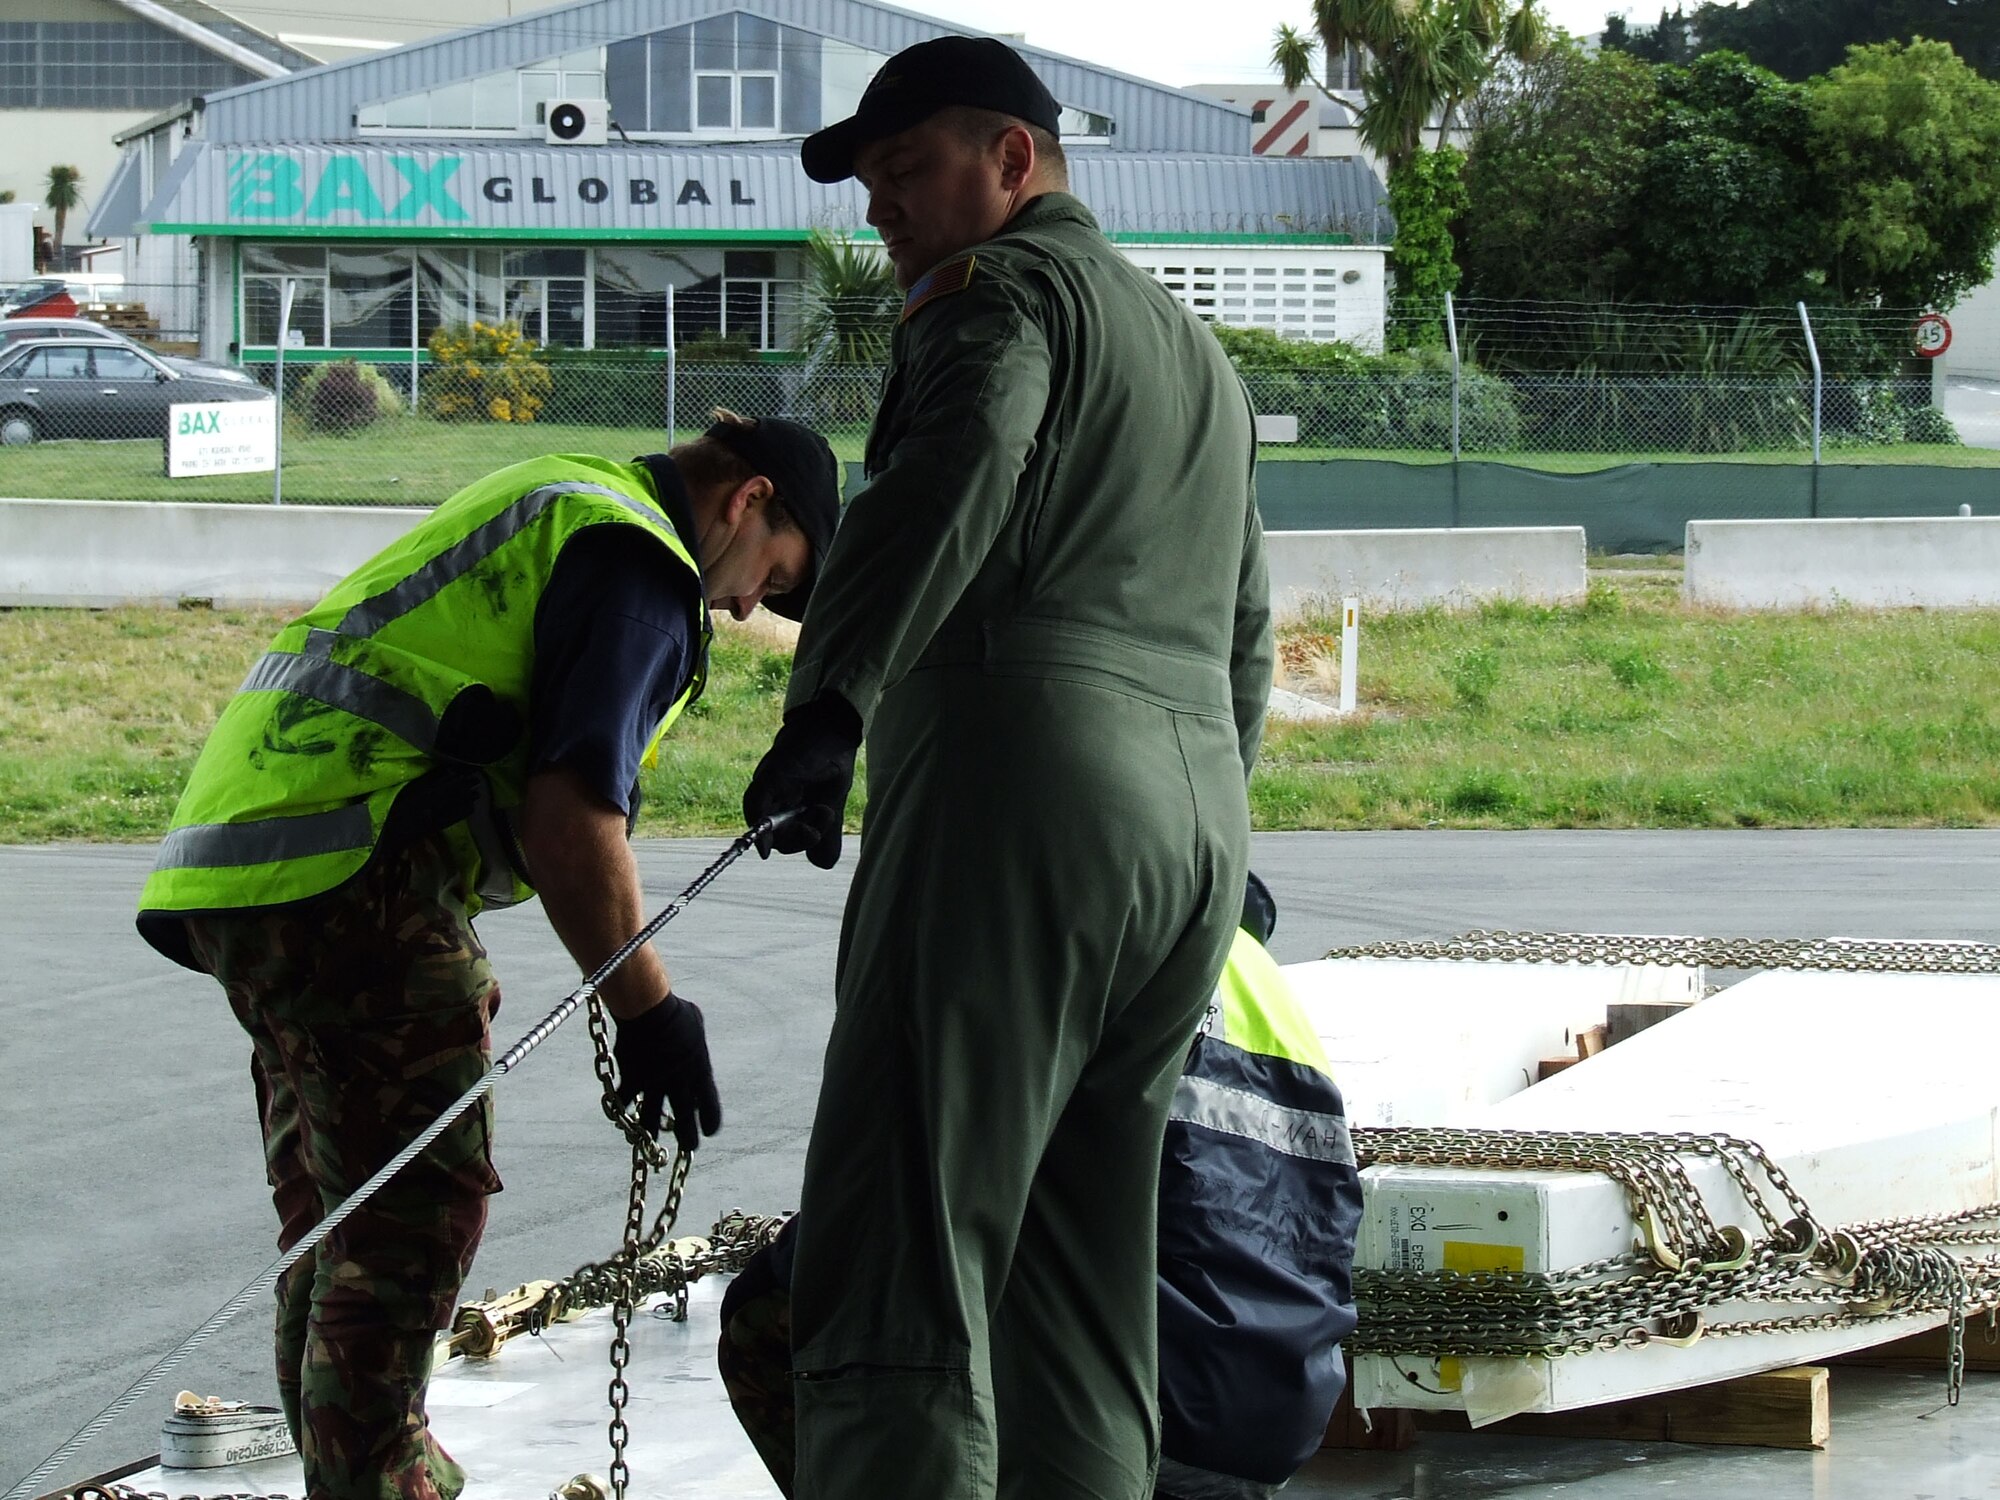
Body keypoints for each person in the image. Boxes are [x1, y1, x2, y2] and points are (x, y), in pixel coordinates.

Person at [740, 34, 1275, 1500]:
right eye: (870, 183)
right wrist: (1217, 834)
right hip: (1186, 838)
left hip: (1018, 802)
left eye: (907, 172)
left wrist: (830, 700)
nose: (881, 212)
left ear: (1014, 163)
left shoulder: (1002, 295)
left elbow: (963, 460)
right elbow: (1245, 618)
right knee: (1079, 1294)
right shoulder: (1195, 351)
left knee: (903, 1251)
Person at [134, 413, 841, 1500]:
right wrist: (651, 1014)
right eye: (774, 578)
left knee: (336, 1216)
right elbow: (573, 826)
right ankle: (376, 1476)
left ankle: (362, 1464)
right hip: (356, 869)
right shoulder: (639, 564)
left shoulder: (565, 491)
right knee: (411, 1217)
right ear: (748, 501)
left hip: (249, 866)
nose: (750, 606)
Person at [714, 875, 1362, 1500]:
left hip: (1148, 1404)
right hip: (1275, 1414)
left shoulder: (1063, 929)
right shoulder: (1260, 979)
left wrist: (808, 1250)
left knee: (766, 1312)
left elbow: (936, 1177)